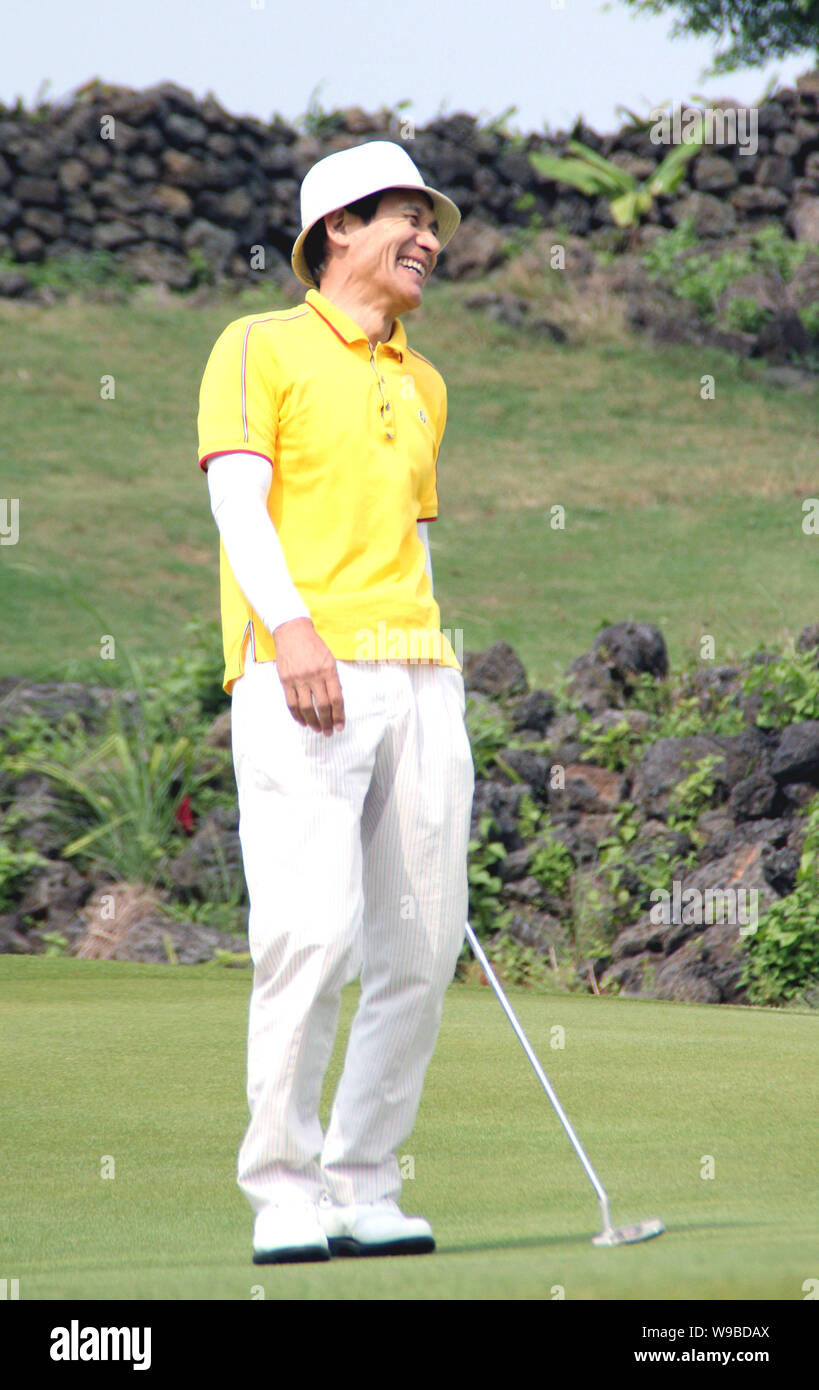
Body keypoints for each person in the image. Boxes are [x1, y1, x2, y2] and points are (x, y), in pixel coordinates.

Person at [196, 140, 475, 1264]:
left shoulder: (425, 380)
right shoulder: (256, 345)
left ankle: (364, 1180)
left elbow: (406, 539)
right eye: (410, 217)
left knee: (419, 945)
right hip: (298, 672)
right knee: (311, 933)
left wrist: (432, 680)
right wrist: (292, 629)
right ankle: (284, 1191)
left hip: (419, 677)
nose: (430, 240)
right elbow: (238, 494)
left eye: (433, 222)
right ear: (339, 229)